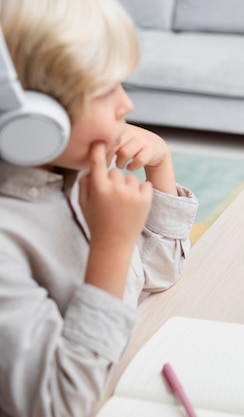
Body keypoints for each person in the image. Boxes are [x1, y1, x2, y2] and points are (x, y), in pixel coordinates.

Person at [0, 0, 198, 416]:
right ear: (32, 115)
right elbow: (58, 405)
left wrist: (160, 167)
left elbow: (159, 274)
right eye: (104, 89)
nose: (126, 104)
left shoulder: (81, 169)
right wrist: (111, 244)